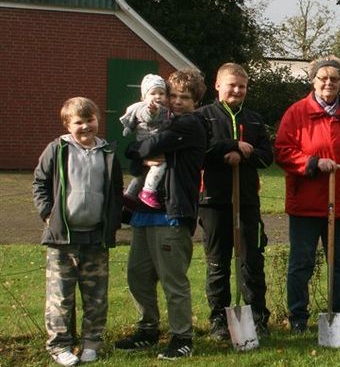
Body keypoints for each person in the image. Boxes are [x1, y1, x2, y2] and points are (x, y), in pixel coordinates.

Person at [275, 56, 340, 337]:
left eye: (334, 79)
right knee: (301, 263)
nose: (328, 83)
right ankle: (297, 317)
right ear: (313, 81)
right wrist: (312, 163)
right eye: (323, 78)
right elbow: (283, 151)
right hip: (306, 204)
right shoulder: (297, 113)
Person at [114, 69, 208, 360]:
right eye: (173, 96)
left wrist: (137, 150)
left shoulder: (191, 124)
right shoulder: (163, 121)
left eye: (185, 98)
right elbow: (137, 161)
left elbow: (148, 146)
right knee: (138, 275)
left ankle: (182, 337)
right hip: (145, 212)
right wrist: (139, 154)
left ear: (196, 101)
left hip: (173, 213)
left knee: (172, 280)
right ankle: (148, 329)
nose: (177, 102)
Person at [32, 97, 123, 366]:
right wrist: (48, 214)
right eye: (79, 122)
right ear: (68, 125)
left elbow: (116, 191)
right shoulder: (57, 149)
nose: (85, 127)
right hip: (62, 238)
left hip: (96, 238)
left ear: (98, 119)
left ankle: (92, 344)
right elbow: (39, 183)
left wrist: (113, 221)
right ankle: (60, 346)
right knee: (60, 297)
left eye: (90, 120)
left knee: (96, 296)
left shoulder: (107, 152)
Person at [197, 63, 274, 339]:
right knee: (217, 263)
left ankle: (257, 317)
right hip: (214, 202)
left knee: (251, 261)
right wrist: (230, 146)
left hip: (247, 201)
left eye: (242, 86)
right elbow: (199, 151)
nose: (237, 90)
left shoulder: (253, 119)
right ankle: (219, 319)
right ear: (218, 85)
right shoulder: (203, 117)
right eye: (232, 85)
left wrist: (244, 155)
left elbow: (267, 155)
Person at [118, 74, 169, 209]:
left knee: (142, 174)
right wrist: (152, 111)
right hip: (149, 144)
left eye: (161, 93)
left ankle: (130, 193)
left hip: (148, 144)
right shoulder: (145, 108)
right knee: (160, 165)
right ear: (144, 97)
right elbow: (147, 116)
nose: (157, 96)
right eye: (153, 93)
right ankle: (149, 191)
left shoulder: (165, 110)